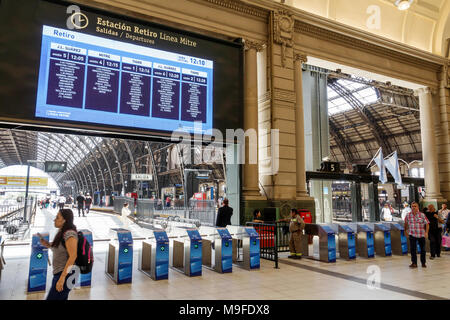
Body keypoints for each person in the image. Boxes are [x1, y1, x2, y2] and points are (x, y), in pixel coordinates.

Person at [39, 209, 78, 300]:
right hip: (60, 273)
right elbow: (61, 250)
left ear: (64, 220)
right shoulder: (61, 232)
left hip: (66, 274)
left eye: (57, 217)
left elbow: (73, 256)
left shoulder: (70, 234)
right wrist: (48, 245)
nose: (54, 220)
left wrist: (62, 278)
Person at [404, 202, 429, 268]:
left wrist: (426, 232)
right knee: (413, 250)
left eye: (415, 206)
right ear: (411, 207)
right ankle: (414, 263)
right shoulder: (408, 215)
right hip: (412, 234)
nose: (414, 207)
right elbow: (406, 223)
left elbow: (427, 224)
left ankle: (423, 263)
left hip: (421, 235)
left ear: (418, 207)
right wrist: (405, 231)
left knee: (423, 249)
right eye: (412, 206)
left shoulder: (422, 215)